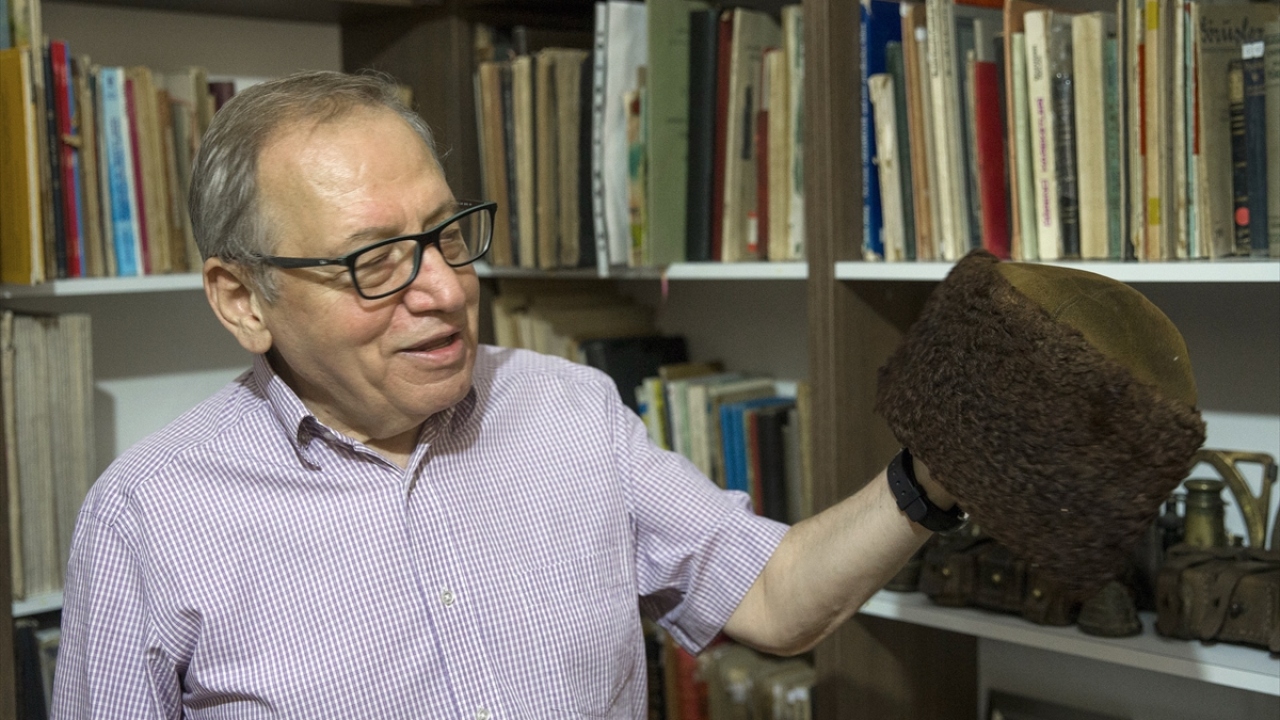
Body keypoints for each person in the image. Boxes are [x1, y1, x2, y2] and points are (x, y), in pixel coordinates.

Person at [51, 71, 956, 719]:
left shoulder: (571, 409)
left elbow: (774, 596)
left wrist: (933, 476)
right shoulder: (149, 518)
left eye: (447, 234)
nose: (444, 288)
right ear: (243, 300)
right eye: (375, 262)